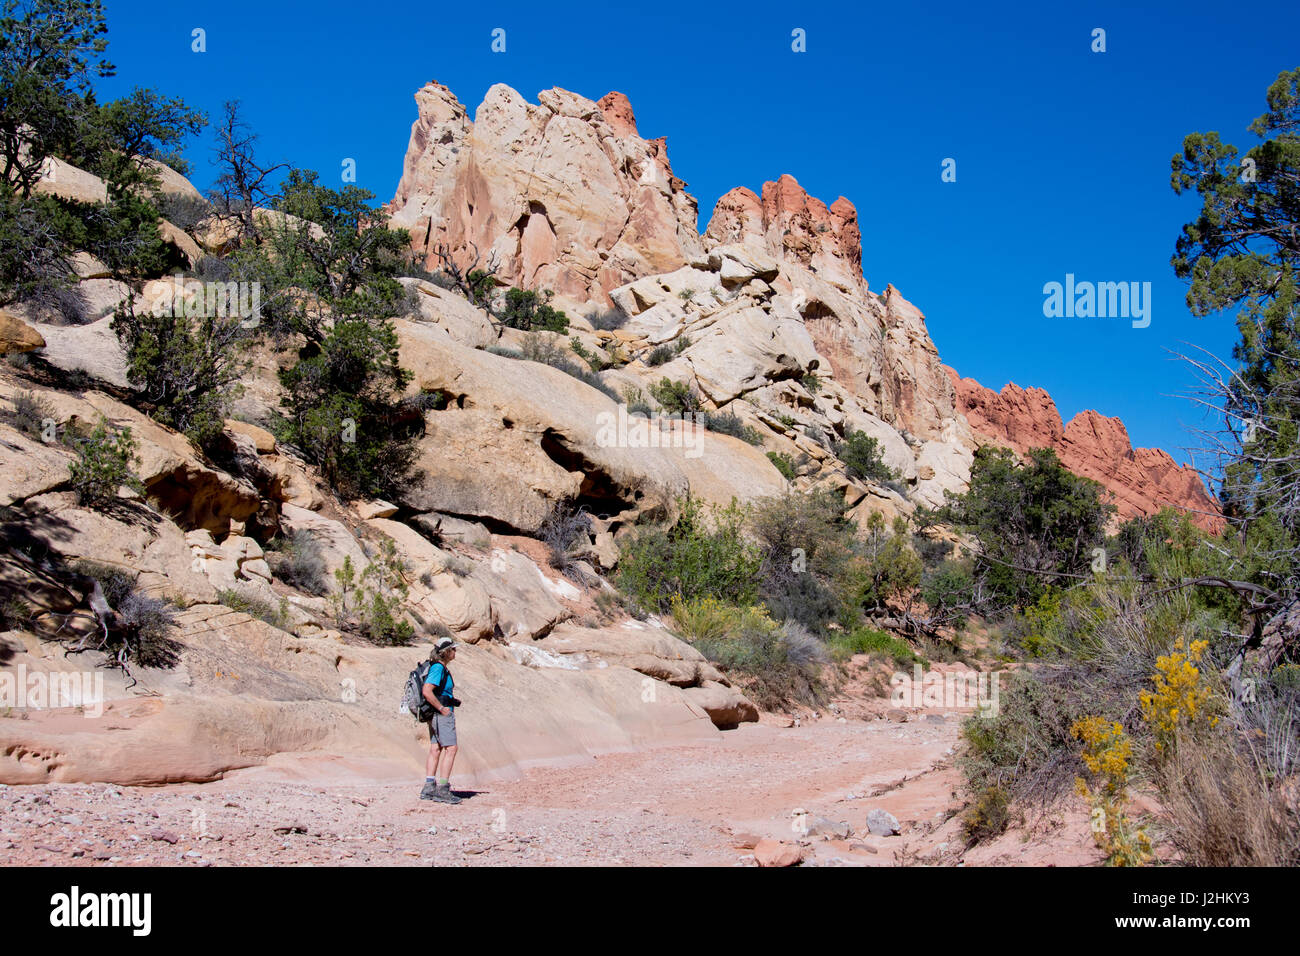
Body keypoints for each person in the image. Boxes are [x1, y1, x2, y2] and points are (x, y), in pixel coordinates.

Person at [420, 637, 462, 803]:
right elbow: (427, 691)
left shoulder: (438, 667)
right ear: (446, 652)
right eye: (453, 649)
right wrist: (442, 708)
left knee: (435, 748)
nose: (455, 652)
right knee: (451, 748)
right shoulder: (438, 668)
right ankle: (443, 789)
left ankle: (429, 787)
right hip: (441, 714)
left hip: (436, 714)